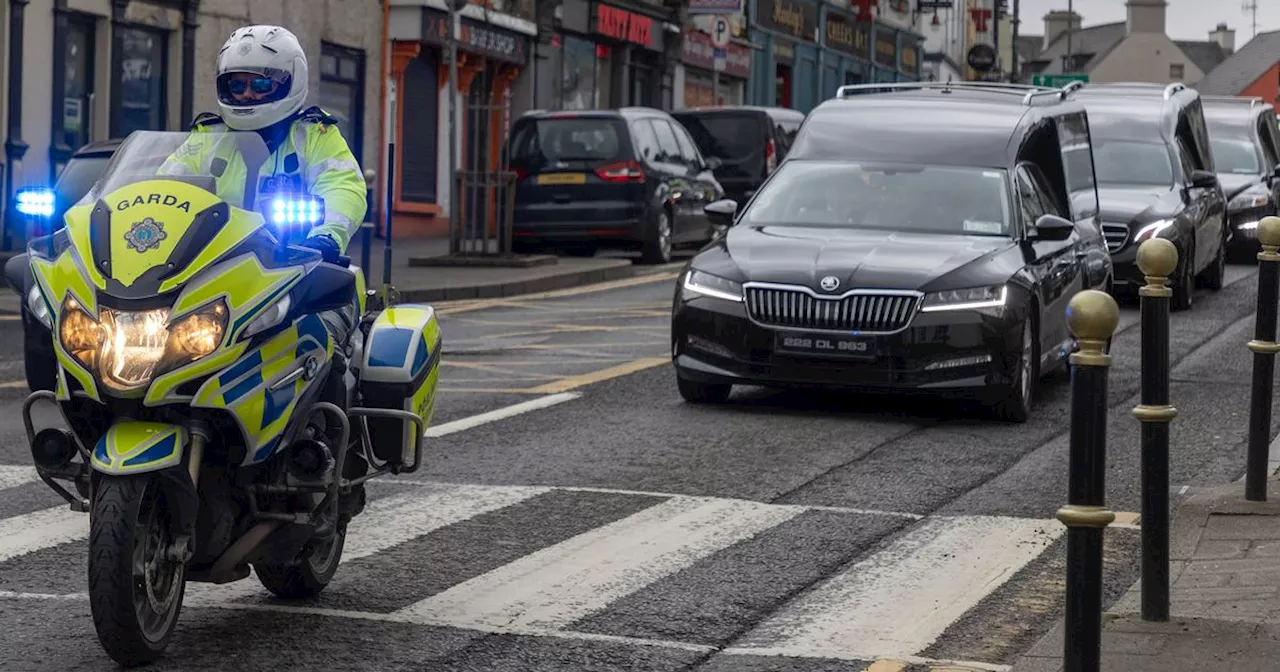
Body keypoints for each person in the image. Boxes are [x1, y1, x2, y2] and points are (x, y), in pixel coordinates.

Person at [160, 24, 367, 347]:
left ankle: (328, 396)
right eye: (237, 84)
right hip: (210, 270)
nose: (247, 94)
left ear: (289, 82)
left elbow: (343, 186)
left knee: (316, 337)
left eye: (260, 83)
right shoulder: (207, 139)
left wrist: (327, 236)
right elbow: (163, 189)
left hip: (296, 267)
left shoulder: (314, 136)